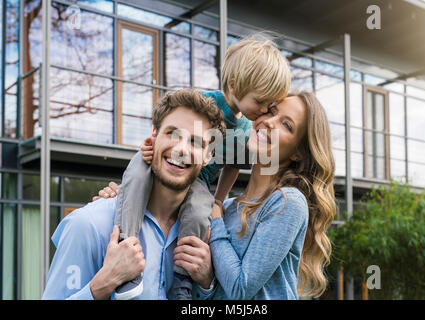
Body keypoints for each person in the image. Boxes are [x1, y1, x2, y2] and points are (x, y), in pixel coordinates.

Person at [97, 91, 337, 299]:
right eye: (271, 111)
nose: (270, 122)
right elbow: (215, 293)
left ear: (298, 153)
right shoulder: (229, 207)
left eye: (287, 125)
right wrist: (205, 279)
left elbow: (240, 288)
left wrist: (217, 219)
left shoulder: (288, 202)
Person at [111, 35, 291, 299]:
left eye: (269, 104)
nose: (264, 109)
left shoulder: (244, 129)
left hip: (198, 182)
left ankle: (182, 280)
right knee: (136, 178)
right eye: (260, 101)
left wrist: (218, 198)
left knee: (198, 212)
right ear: (234, 85)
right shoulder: (201, 102)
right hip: (164, 162)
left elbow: (232, 166)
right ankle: (125, 243)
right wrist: (150, 145)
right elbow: (167, 130)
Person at [42, 89, 225, 300]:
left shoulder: (208, 239)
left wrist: (206, 283)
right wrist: (102, 285)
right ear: (154, 136)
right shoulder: (87, 224)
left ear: (208, 156)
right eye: (172, 134)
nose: (181, 149)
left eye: (195, 142)